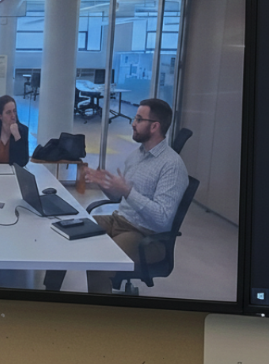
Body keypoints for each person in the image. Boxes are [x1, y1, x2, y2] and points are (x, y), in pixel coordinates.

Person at [45, 98, 190, 294]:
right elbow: (119, 198)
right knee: (64, 231)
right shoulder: (137, 155)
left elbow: (162, 218)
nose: (133, 123)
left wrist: (127, 191)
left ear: (155, 126)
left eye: (139, 119)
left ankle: (100, 312)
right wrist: (103, 184)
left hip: (146, 235)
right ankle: (49, 294)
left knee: (100, 262)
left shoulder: (172, 166)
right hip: (118, 220)